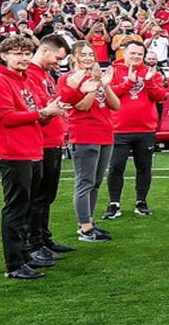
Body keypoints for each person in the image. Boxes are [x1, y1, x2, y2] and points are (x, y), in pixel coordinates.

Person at [0, 36, 66, 279]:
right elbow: (4, 117)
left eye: (25, 53)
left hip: (31, 149)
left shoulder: (21, 79)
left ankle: (24, 255)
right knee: (15, 209)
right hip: (14, 152)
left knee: (26, 207)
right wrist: (42, 112)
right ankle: (14, 264)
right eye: (16, 53)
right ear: (4, 56)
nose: (22, 58)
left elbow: (32, 114)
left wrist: (49, 112)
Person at [58, 41, 120, 242]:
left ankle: (89, 222)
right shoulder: (68, 79)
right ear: (74, 57)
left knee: (95, 182)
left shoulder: (97, 77)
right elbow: (83, 106)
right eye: (83, 54)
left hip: (105, 134)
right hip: (84, 135)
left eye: (90, 54)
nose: (88, 58)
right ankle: (84, 228)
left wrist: (104, 84)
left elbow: (115, 105)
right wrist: (93, 87)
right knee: (85, 182)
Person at [25, 34, 75, 261]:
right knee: (38, 197)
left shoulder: (45, 75)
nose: (58, 63)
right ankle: (33, 243)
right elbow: (39, 107)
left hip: (53, 141)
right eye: (57, 57)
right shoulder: (29, 75)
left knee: (47, 196)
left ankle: (43, 238)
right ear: (44, 50)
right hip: (41, 143)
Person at [103, 41, 166, 219]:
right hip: (118, 129)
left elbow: (161, 96)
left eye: (140, 54)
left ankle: (141, 201)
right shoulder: (113, 70)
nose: (136, 57)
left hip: (145, 129)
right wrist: (128, 83)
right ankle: (114, 203)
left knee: (144, 168)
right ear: (125, 53)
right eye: (133, 53)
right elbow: (109, 94)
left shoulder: (151, 72)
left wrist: (149, 82)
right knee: (116, 167)